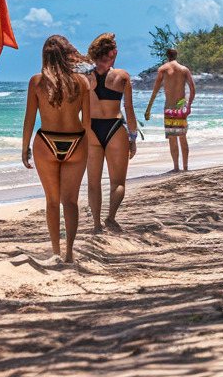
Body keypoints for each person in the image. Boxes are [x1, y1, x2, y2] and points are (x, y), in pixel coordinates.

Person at [21, 35, 90, 263]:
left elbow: (30, 119)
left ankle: (55, 252)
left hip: (46, 142)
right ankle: (70, 253)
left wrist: (24, 148)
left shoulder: (36, 82)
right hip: (76, 142)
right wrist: (92, 149)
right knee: (70, 201)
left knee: (52, 201)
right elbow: (87, 123)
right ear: (66, 54)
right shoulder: (82, 82)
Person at [86, 33, 138, 233]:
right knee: (117, 182)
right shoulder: (122, 76)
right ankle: (111, 218)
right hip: (115, 128)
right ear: (112, 53)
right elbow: (129, 109)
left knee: (93, 182)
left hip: (91, 130)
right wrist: (132, 137)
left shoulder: (85, 77)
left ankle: (96, 224)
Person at [143, 47, 196, 172]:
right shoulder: (184, 70)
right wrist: (188, 105)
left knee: (172, 138)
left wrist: (148, 108)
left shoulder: (163, 69)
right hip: (181, 107)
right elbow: (193, 89)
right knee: (183, 137)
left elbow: (155, 89)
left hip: (169, 108)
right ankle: (186, 167)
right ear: (176, 55)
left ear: (167, 56)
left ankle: (176, 167)